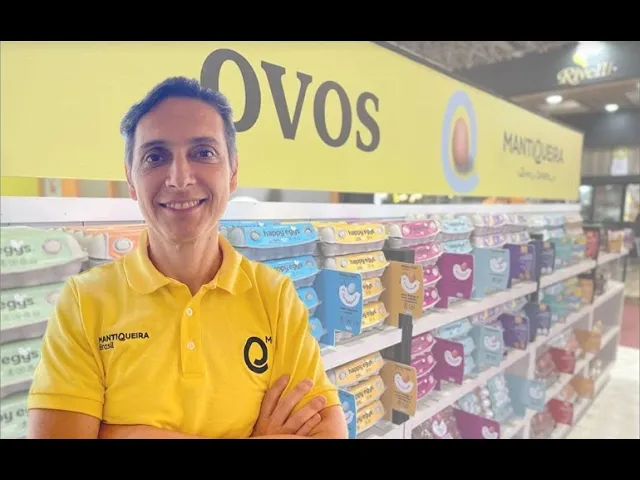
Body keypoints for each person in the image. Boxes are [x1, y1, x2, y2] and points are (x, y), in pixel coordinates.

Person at [26, 77, 348, 439]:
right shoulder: (85, 302)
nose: (179, 178)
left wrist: (119, 433)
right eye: (155, 157)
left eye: (203, 153)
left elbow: (328, 431)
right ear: (131, 179)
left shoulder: (275, 297)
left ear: (233, 173)